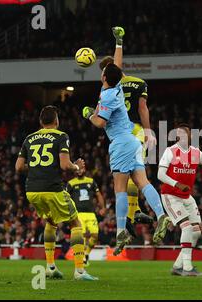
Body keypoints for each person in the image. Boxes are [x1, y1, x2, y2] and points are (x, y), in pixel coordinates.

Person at [82, 63, 170, 256]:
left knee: (120, 189)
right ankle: (162, 214)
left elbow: (100, 122)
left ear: (104, 77)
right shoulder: (118, 88)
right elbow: (116, 69)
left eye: (103, 72)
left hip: (120, 142)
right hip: (133, 141)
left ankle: (121, 230)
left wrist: (89, 114)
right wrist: (119, 43)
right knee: (142, 181)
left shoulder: (107, 95)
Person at [15, 105, 98, 280]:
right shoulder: (61, 136)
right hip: (52, 188)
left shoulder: (29, 138)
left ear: (40, 122)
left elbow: (19, 167)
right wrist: (77, 167)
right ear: (56, 121)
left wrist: (37, 167)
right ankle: (80, 271)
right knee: (75, 223)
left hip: (32, 191)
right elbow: (65, 165)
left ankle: (51, 267)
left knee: (51, 222)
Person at [99, 26, 155, 239]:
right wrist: (148, 131)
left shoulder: (110, 89)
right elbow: (143, 108)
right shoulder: (139, 83)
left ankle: (131, 215)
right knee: (136, 172)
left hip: (126, 132)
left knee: (130, 175)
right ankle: (135, 211)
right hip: (137, 131)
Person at [158, 123, 202, 276]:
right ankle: (188, 268)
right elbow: (160, 175)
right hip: (170, 195)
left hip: (186, 197)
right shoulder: (170, 151)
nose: (181, 135)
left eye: (184, 133)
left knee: (196, 233)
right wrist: (177, 184)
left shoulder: (196, 152)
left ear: (190, 135)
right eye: (178, 133)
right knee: (186, 227)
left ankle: (178, 266)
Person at [66, 167, 106, 266]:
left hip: (90, 213)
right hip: (78, 214)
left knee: (95, 235)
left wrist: (103, 207)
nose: (79, 171)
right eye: (77, 169)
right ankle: (83, 256)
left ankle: (87, 253)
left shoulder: (91, 181)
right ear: (75, 170)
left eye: (81, 169)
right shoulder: (71, 183)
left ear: (84, 170)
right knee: (82, 235)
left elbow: (98, 195)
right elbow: (66, 197)